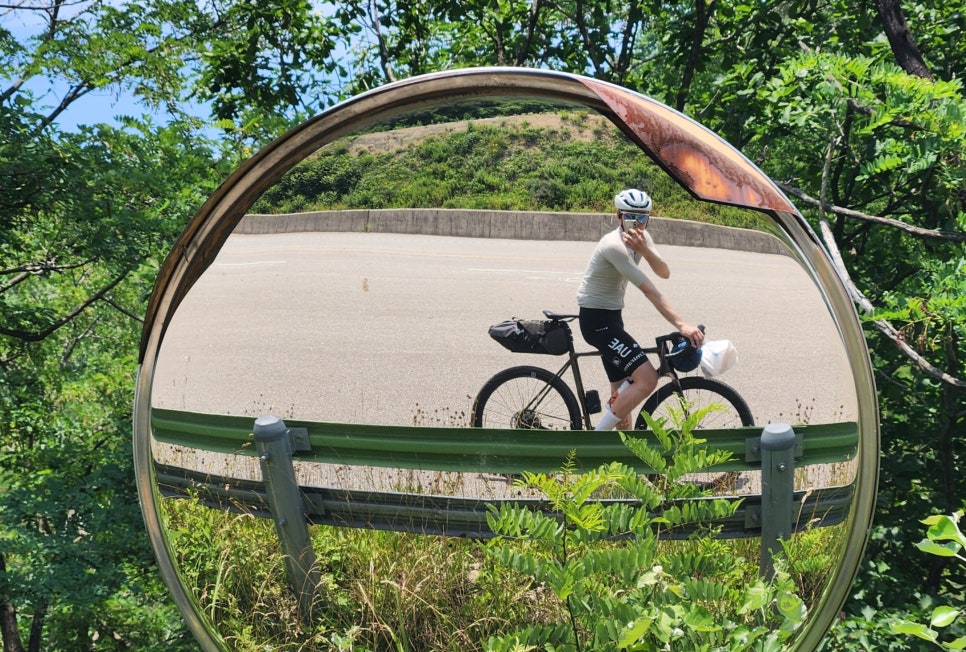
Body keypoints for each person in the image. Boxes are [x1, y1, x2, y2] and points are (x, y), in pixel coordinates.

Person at [576, 189, 704, 431]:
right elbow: (649, 290)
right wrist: (682, 325)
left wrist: (645, 250)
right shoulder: (613, 246)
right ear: (618, 216)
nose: (637, 223)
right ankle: (594, 441)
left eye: (643, 218)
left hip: (613, 319)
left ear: (649, 219)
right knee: (647, 380)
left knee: (622, 393)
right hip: (596, 322)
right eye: (630, 217)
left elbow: (664, 272)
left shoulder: (642, 239)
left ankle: (622, 459)